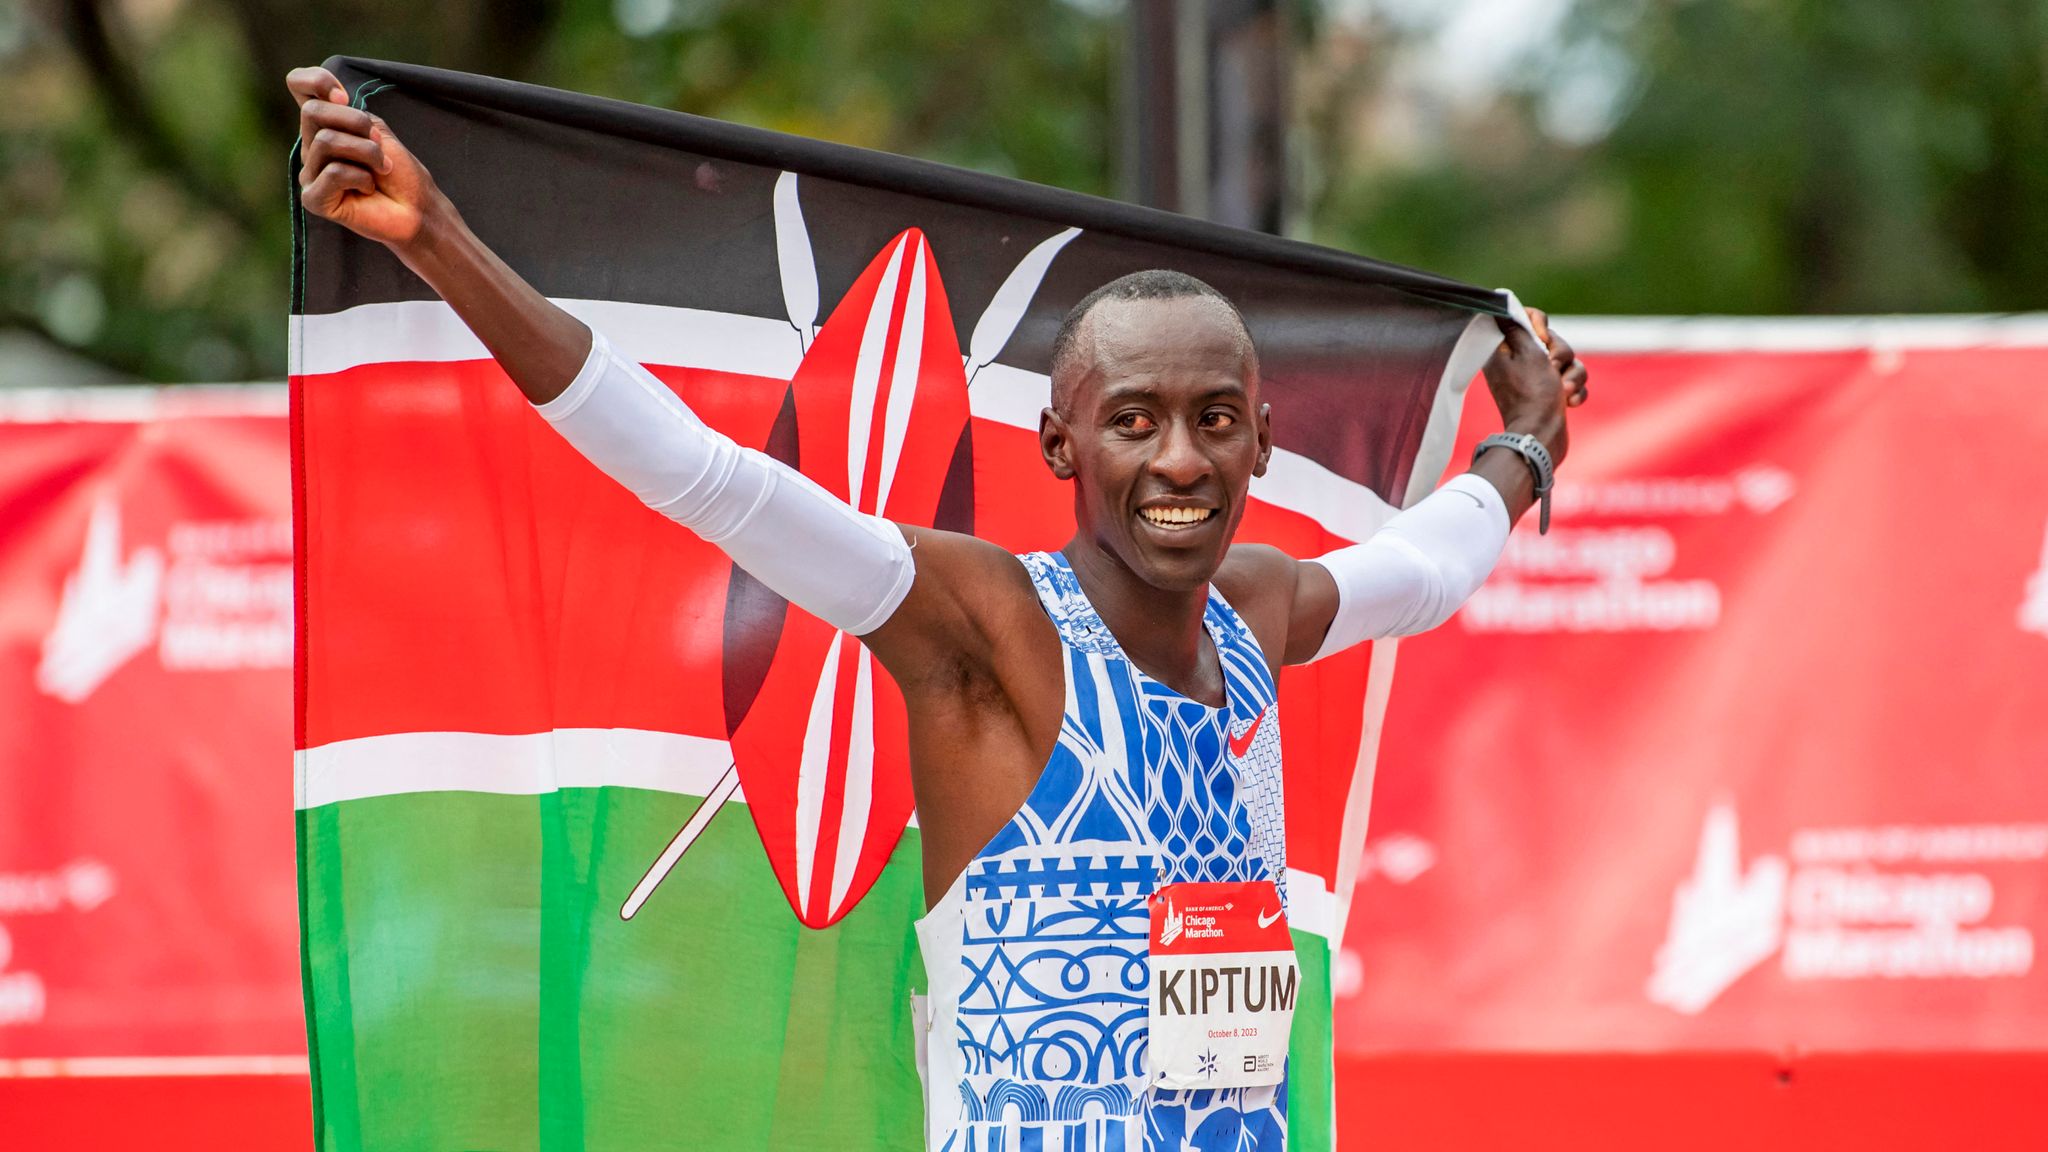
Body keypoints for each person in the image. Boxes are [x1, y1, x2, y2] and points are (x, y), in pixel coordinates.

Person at [289, 64, 1587, 1152]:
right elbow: (705, 476)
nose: (1178, 461)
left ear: (1259, 442)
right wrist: (436, 239)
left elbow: (1427, 566)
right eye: (1132, 423)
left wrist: (1524, 437)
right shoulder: (986, 628)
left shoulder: (1261, 613)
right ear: (1060, 446)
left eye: (1212, 423)